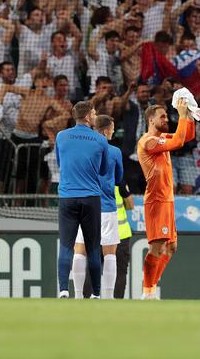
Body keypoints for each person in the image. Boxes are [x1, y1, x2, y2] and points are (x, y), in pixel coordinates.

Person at [137, 99, 193, 299]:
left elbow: (186, 136)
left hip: (167, 200)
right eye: (162, 116)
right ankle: (148, 291)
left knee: (171, 248)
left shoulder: (162, 137)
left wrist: (190, 113)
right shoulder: (148, 141)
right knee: (158, 246)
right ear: (151, 120)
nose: (166, 119)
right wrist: (182, 114)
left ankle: (151, 287)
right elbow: (177, 141)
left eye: (167, 116)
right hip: (156, 200)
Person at [55, 101, 109, 299]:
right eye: (94, 114)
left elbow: (61, 163)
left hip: (67, 198)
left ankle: (63, 290)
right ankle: (95, 293)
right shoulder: (100, 140)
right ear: (87, 117)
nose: (95, 117)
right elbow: (103, 170)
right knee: (93, 247)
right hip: (91, 198)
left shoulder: (61, 136)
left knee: (66, 246)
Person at [72, 115, 123, 300]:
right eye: (112, 129)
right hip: (107, 206)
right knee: (109, 253)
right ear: (105, 130)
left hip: (84, 203)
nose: (113, 132)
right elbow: (119, 179)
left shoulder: (81, 149)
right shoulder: (114, 151)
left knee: (80, 250)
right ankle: (107, 296)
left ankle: (77, 296)